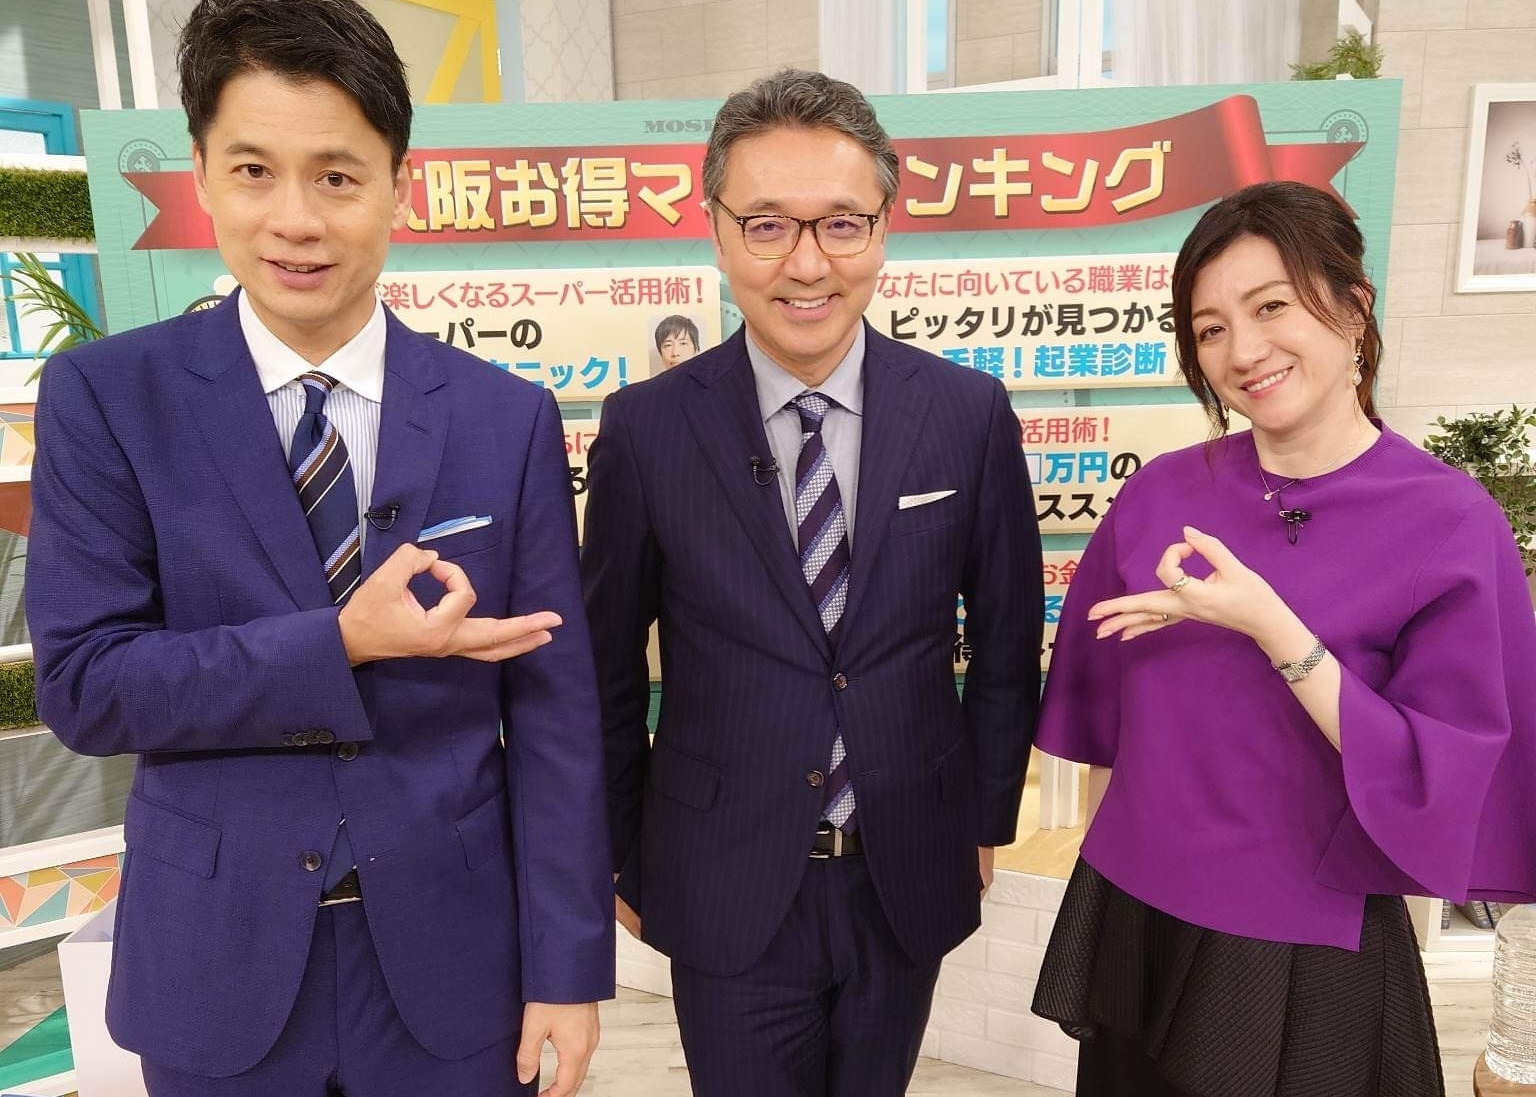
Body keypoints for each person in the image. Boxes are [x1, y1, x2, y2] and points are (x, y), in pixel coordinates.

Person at [25, 2, 613, 1094]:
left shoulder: (504, 417)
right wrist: (340, 641)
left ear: (400, 184)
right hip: (217, 957)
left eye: (337, 176)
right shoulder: (110, 398)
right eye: (254, 170)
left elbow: (556, 717)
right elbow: (87, 687)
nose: (295, 220)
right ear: (202, 177)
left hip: (456, 962)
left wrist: (568, 967)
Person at [580, 69, 1043, 1097]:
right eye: (766, 225)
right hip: (718, 869)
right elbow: (602, 668)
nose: (805, 263)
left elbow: (1007, 640)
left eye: (840, 224)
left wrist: (983, 817)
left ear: (883, 226)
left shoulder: (967, 414)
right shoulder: (646, 430)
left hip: (906, 862)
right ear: (715, 229)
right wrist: (618, 848)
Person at [1029, 180, 1536, 1097]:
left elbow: (1446, 771)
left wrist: (1276, 629)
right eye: (1210, 327)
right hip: (1139, 907)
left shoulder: (1450, 520)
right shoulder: (1161, 494)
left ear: (1354, 307)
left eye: (1271, 307)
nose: (1243, 350)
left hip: (1301, 939)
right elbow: (1105, 724)